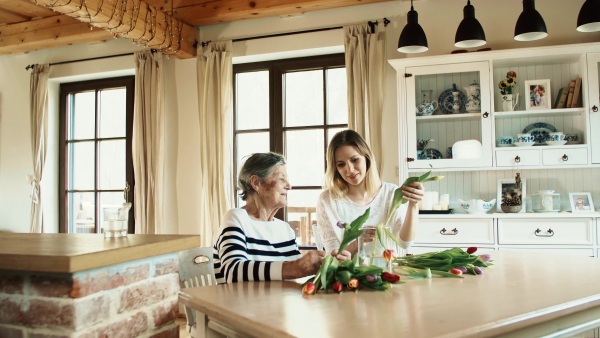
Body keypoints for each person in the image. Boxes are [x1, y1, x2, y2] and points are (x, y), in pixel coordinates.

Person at [213, 152, 350, 284]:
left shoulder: (284, 229)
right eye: (281, 179)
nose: (289, 186)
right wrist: (294, 268)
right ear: (256, 183)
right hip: (241, 306)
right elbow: (233, 271)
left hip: (278, 305)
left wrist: (329, 263)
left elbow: (298, 274)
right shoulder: (236, 218)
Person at [316, 130, 425, 256]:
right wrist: (358, 241)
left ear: (366, 158)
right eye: (341, 164)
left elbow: (405, 243)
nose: (350, 169)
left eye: (355, 160)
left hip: (387, 272)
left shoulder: (390, 193)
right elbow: (333, 255)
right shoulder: (327, 200)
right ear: (335, 169)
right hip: (349, 275)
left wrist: (413, 204)